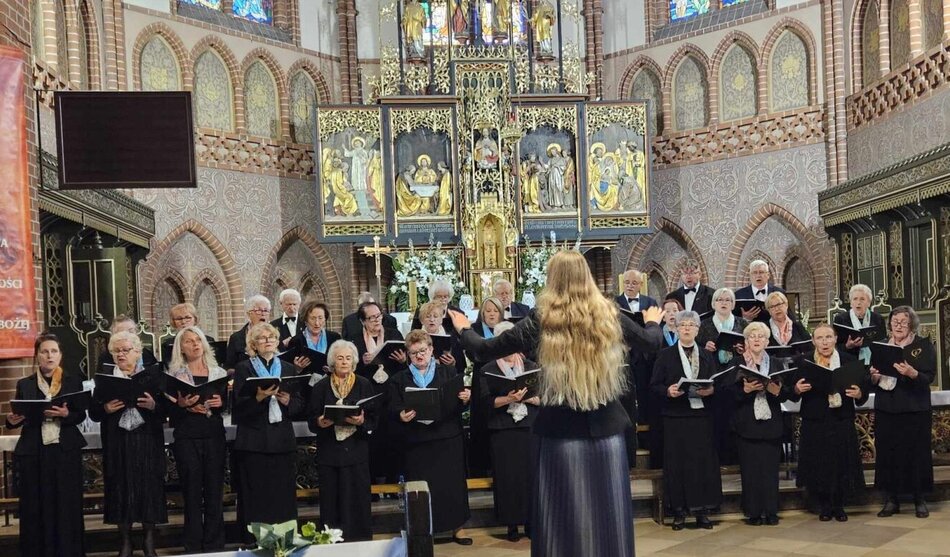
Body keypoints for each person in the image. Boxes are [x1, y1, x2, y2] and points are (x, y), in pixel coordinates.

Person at [452, 250, 664, 556]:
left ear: (553, 279)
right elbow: (652, 342)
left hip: (560, 433)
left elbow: (485, 349)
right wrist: (654, 322)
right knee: (608, 511)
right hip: (606, 432)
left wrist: (462, 327)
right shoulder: (608, 313)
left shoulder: (542, 318)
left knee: (563, 513)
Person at [5, 333, 87, 557]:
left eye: (54, 351)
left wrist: (67, 413)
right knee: (35, 504)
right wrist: (11, 420)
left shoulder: (73, 381)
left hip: (64, 450)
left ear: (60, 355)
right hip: (35, 451)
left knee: (66, 504)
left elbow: (80, 414)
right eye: (44, 351)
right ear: (37, 356)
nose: (49, 356)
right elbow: (19, 413)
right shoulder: (25, 383)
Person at [391, 330, 473, 545]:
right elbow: (392, 406)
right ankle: (422, 530)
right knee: (421, 487)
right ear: (408, 354)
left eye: (423, 351)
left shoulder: (448, 372)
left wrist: (465, 399)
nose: (420, 356)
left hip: (447, 437)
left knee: (452, 485)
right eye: (414, 352)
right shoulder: (400, 378)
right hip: (417, 441)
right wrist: (400, 414)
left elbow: (459, 400)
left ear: (431, 350)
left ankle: (458, 528)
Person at [89, 331, 167, 557]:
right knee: (120, 488)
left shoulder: (152, 376)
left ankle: (149, 540)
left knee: (148, 488)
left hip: (147, 440)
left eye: (126, 350)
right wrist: (105, 409)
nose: (121, 354)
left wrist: (153, 405)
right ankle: (125, 541)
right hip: (118, 442)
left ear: (137, 352)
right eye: (116, 351)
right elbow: (93, 413)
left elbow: (166, 412)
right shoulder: (105, 377)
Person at [232, 323, 304, 539]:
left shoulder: (288, 368)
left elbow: (300, 404)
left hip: (281, 440)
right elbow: (238, 407)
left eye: (271, 337)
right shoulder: (245, 368)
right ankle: (257, 540)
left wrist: (289, 400)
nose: (267, 341)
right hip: (255, 440)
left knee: (282, 493)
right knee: (257, 493)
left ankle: (285, 539)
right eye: (262, 338)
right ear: (253, 344)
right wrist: (258, 397)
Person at [788, 323, 867, 521]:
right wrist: (797, 389)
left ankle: (839, 505)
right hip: (815, 420)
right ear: (813, 341)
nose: (824, 342)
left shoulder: (849, 360)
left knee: (841, 462)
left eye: (828, 337)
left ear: (835, 339)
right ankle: (823, 504)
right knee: (819, 463)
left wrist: (859, 393)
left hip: (841, 418)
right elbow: (792, 392)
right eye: (820, 338)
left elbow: (862, 392)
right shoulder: (803, 361)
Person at [651, 310, 721, 530]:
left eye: (692, 325)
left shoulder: (706, 354)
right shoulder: (665, 355)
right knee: (677, 464)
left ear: (698, 329)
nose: (688, 328)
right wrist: (668, 391)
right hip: (676, 416)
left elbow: (715, 382)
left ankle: (702, 511)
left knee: (702, 464)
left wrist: (711, 391)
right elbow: (654, 385)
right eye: (683, 325)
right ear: (677, 328)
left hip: (701, 417)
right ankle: (679, 512)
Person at [870, 306, 936, 519]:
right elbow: (872, 376)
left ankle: (919, 499)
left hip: (914, 409)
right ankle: (891, 500)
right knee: (888, 454)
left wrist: (913, 373)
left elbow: (929, 378)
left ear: (912, 325)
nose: (898, 325)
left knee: (916, 454)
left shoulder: (923, 346)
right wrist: (873, 376)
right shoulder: (881, 347)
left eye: (903, 322)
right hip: (887, 409)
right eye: (894, 321)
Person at [309, 340, 378, 541]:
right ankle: (331, 542)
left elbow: (374, 418)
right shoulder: (321, 386)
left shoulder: (364, 384)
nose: (344, 362)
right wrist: (320, 422)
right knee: (331, 500)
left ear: (354, 361)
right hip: (329, 453)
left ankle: (360, 541)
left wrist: (362, 420)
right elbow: (311, 418)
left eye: (348, 358)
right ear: (332, 362)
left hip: (356, 451)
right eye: (340, 358)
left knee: (357, 498)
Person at [166, 326, 227, 552]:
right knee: (191, 492)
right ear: (181, 348)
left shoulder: (218, 372)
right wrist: (181, 405)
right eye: (189, 341)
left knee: (214, 491)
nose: (195, 344)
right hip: (187, 437)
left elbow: (226, 405)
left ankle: (215, 544)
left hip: (213, 436)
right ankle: (192, 544)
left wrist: (220, 404)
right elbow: (168, 411)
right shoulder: (175, 375)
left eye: (198, 340)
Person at [478, 320, 539, 542]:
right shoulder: (488, 370)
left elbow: (545, 398)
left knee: (531, 477)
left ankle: (532, 523)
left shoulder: (531, 366)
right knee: (508, 478)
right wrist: (508, 399)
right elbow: (485, 402)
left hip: (530, 428)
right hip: (503, 430)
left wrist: (530, 397)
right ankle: (511, 525)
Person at [730, 322, 786, 526]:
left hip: (771, 424)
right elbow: (727, 395)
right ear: (746, 342)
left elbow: (785, 393)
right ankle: (753, 512)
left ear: (767, 341)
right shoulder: (736, 364)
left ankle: (771, 511)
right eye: (752, 336)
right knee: (751, 471)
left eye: (760, 336)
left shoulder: (776, 363)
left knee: (771, 471)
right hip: (747, 425)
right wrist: (744, 391)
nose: (756, 339)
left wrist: (777, 391)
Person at [697, 287, 747, 465]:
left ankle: (736, 460)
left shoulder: (743, 324)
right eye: (720, 300)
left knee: (737, 418)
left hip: (737, 377)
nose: (724, 303)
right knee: (717, 419)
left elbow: (750, 348)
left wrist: (743, 349)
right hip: (714, 376)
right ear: (713, 304)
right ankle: (719, 460)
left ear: (733, 304)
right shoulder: (704, 325)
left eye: (728, 300)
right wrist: (705, 348)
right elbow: (696, 351)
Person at [465, 296, 506, 475]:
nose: (491, 314)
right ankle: (480, 469)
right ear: (482, 313)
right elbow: (471, 353)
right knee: (481, 420)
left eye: (495, 311)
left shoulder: (506, 330)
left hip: (501, 378)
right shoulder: (474, 330)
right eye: (488, 310)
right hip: (482, 379)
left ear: (501, 313)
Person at [288, 300, 342, 406]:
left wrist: (334, 369)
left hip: (332, 390)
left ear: (325, 318)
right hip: (306, 393)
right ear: (306, 319)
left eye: (320, 318)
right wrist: (297, 368)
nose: (317, 323)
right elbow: (289, 372)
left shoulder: (335, 338)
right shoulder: (296, 341)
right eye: (313, 318)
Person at [833, 283, 885, 365]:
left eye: (862, 299)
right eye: (855, 299)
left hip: (874, 362)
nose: (858, 302)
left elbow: (883, 342)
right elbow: (834, 346)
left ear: (869, 303)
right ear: (850, 303)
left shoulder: (878, 319)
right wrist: (847, 346)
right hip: (849, 362)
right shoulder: (840, 319)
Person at [418, 301, 467, 376]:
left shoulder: (451, 337)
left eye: (435, 316)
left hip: (445, 376)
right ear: (421, 321)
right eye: (428, 316)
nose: (432, 320)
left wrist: (453, 363)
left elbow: (461, 365)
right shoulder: (415, 338)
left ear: (441, 320)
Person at [226, 295, 272, 370]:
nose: (263, 313)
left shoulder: (275, 336)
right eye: (258, 310)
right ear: (249, 314)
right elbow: (229, 366)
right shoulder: (236, 338)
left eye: (266, 310)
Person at [765, 291, 811, 367]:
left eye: (779, 304)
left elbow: (810, 349)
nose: (776, 309)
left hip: (797, 367)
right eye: (772, 307)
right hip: (773, 369)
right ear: (769, 311)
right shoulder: (764, 328)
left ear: (786, 305)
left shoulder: (797, 326)